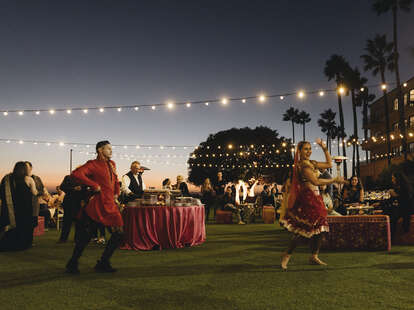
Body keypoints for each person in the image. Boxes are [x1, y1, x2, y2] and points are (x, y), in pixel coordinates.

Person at [279, 139, 345, 270]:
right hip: (307, 199)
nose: (309, 151)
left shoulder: (312, 163)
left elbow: (328, 164)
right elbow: (315, 181)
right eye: (305, 149)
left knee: (320, 227)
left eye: (310, 149)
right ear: (299, 151)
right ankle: (286, 255)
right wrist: (334, 179)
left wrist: (324, 148)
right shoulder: (303, 166)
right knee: (302, 230)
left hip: (316, 199)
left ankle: (314, 256)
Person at [65, 140, 124, 274]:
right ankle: (72, 262)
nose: (111, 151)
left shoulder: (112, 164)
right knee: (86, 236)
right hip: (97, 204)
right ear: (100, 150)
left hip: (110, 203)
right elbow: (76, 174)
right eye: (108, 148)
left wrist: (116, 193)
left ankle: (103, 262)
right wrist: (93, 185)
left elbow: (115, 180)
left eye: (111, 148)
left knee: (119, 233)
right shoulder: (92, 164)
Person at [0, 162, 38, 251]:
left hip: (11, 209)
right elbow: (34, 192)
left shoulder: (7, 179)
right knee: (23, 227)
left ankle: (7, 244)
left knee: (12, 228)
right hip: (24, 208)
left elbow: (1, 193)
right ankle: (22, 245)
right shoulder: (28, 179)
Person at [57, 175, 89, 243]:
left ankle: (77, 239)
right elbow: (62, 187)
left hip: (79, 203)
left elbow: (86, 190)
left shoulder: (84, 179)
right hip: (69, 202)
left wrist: (84, 200)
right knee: (67, 222)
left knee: (79, 222)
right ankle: (63, 239)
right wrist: (73, 188)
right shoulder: (68, 177)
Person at [389, 171, 413, 238]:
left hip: (407, 208)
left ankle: (392, 237)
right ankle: (390, 235)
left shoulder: (405, 187)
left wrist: (395, 195)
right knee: (390, 213)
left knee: (393, 218)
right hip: (400, 207)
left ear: (397, 178)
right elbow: (391, 199)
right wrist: (379, 203)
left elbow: (406, 200)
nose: (392, 180)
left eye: (393, 178)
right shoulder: (397, 187)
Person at [25, 161, 49, 229]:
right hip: (25, 203)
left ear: (31, 168)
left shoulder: (36, 178)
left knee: (34, 220)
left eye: (27, 167)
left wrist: (46, 195)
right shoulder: (21, 178)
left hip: (36, 202)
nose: (26, 168)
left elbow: (43, 188)